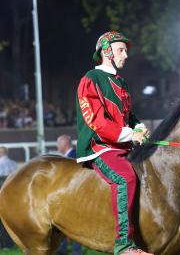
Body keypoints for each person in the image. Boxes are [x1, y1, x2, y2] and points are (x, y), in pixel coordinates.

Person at [76, 31, 151, 255]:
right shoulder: (91, 78)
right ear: (106, 51)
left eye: (125, 50)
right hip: (99, 147)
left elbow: (129, 115)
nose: (126, 55)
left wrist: (139, 127)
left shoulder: (121, 81)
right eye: (121, 50)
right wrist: (130, 135)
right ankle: (123, 244)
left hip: (123, 145)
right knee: (125, 177)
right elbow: (96, 121)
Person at [56, 134, 82, 255]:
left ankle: (73, 250)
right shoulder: (72, 155)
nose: (57, 146)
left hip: (73, 196)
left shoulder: (71, 157)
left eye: (58, 143)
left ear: (64, 144)